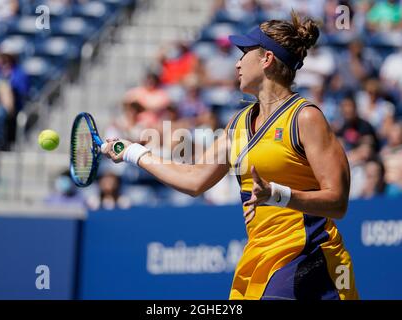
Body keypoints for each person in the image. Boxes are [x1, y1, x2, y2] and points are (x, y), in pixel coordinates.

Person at [103, 12, 358, 300]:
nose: (237, 63)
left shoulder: (306, 118)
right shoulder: (236, 125)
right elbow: (194, 179)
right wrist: (132, 152)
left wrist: (277, 194)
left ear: (266, 60)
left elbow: (338, 202)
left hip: (310, 256)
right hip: (259, 259)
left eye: (244, 53)